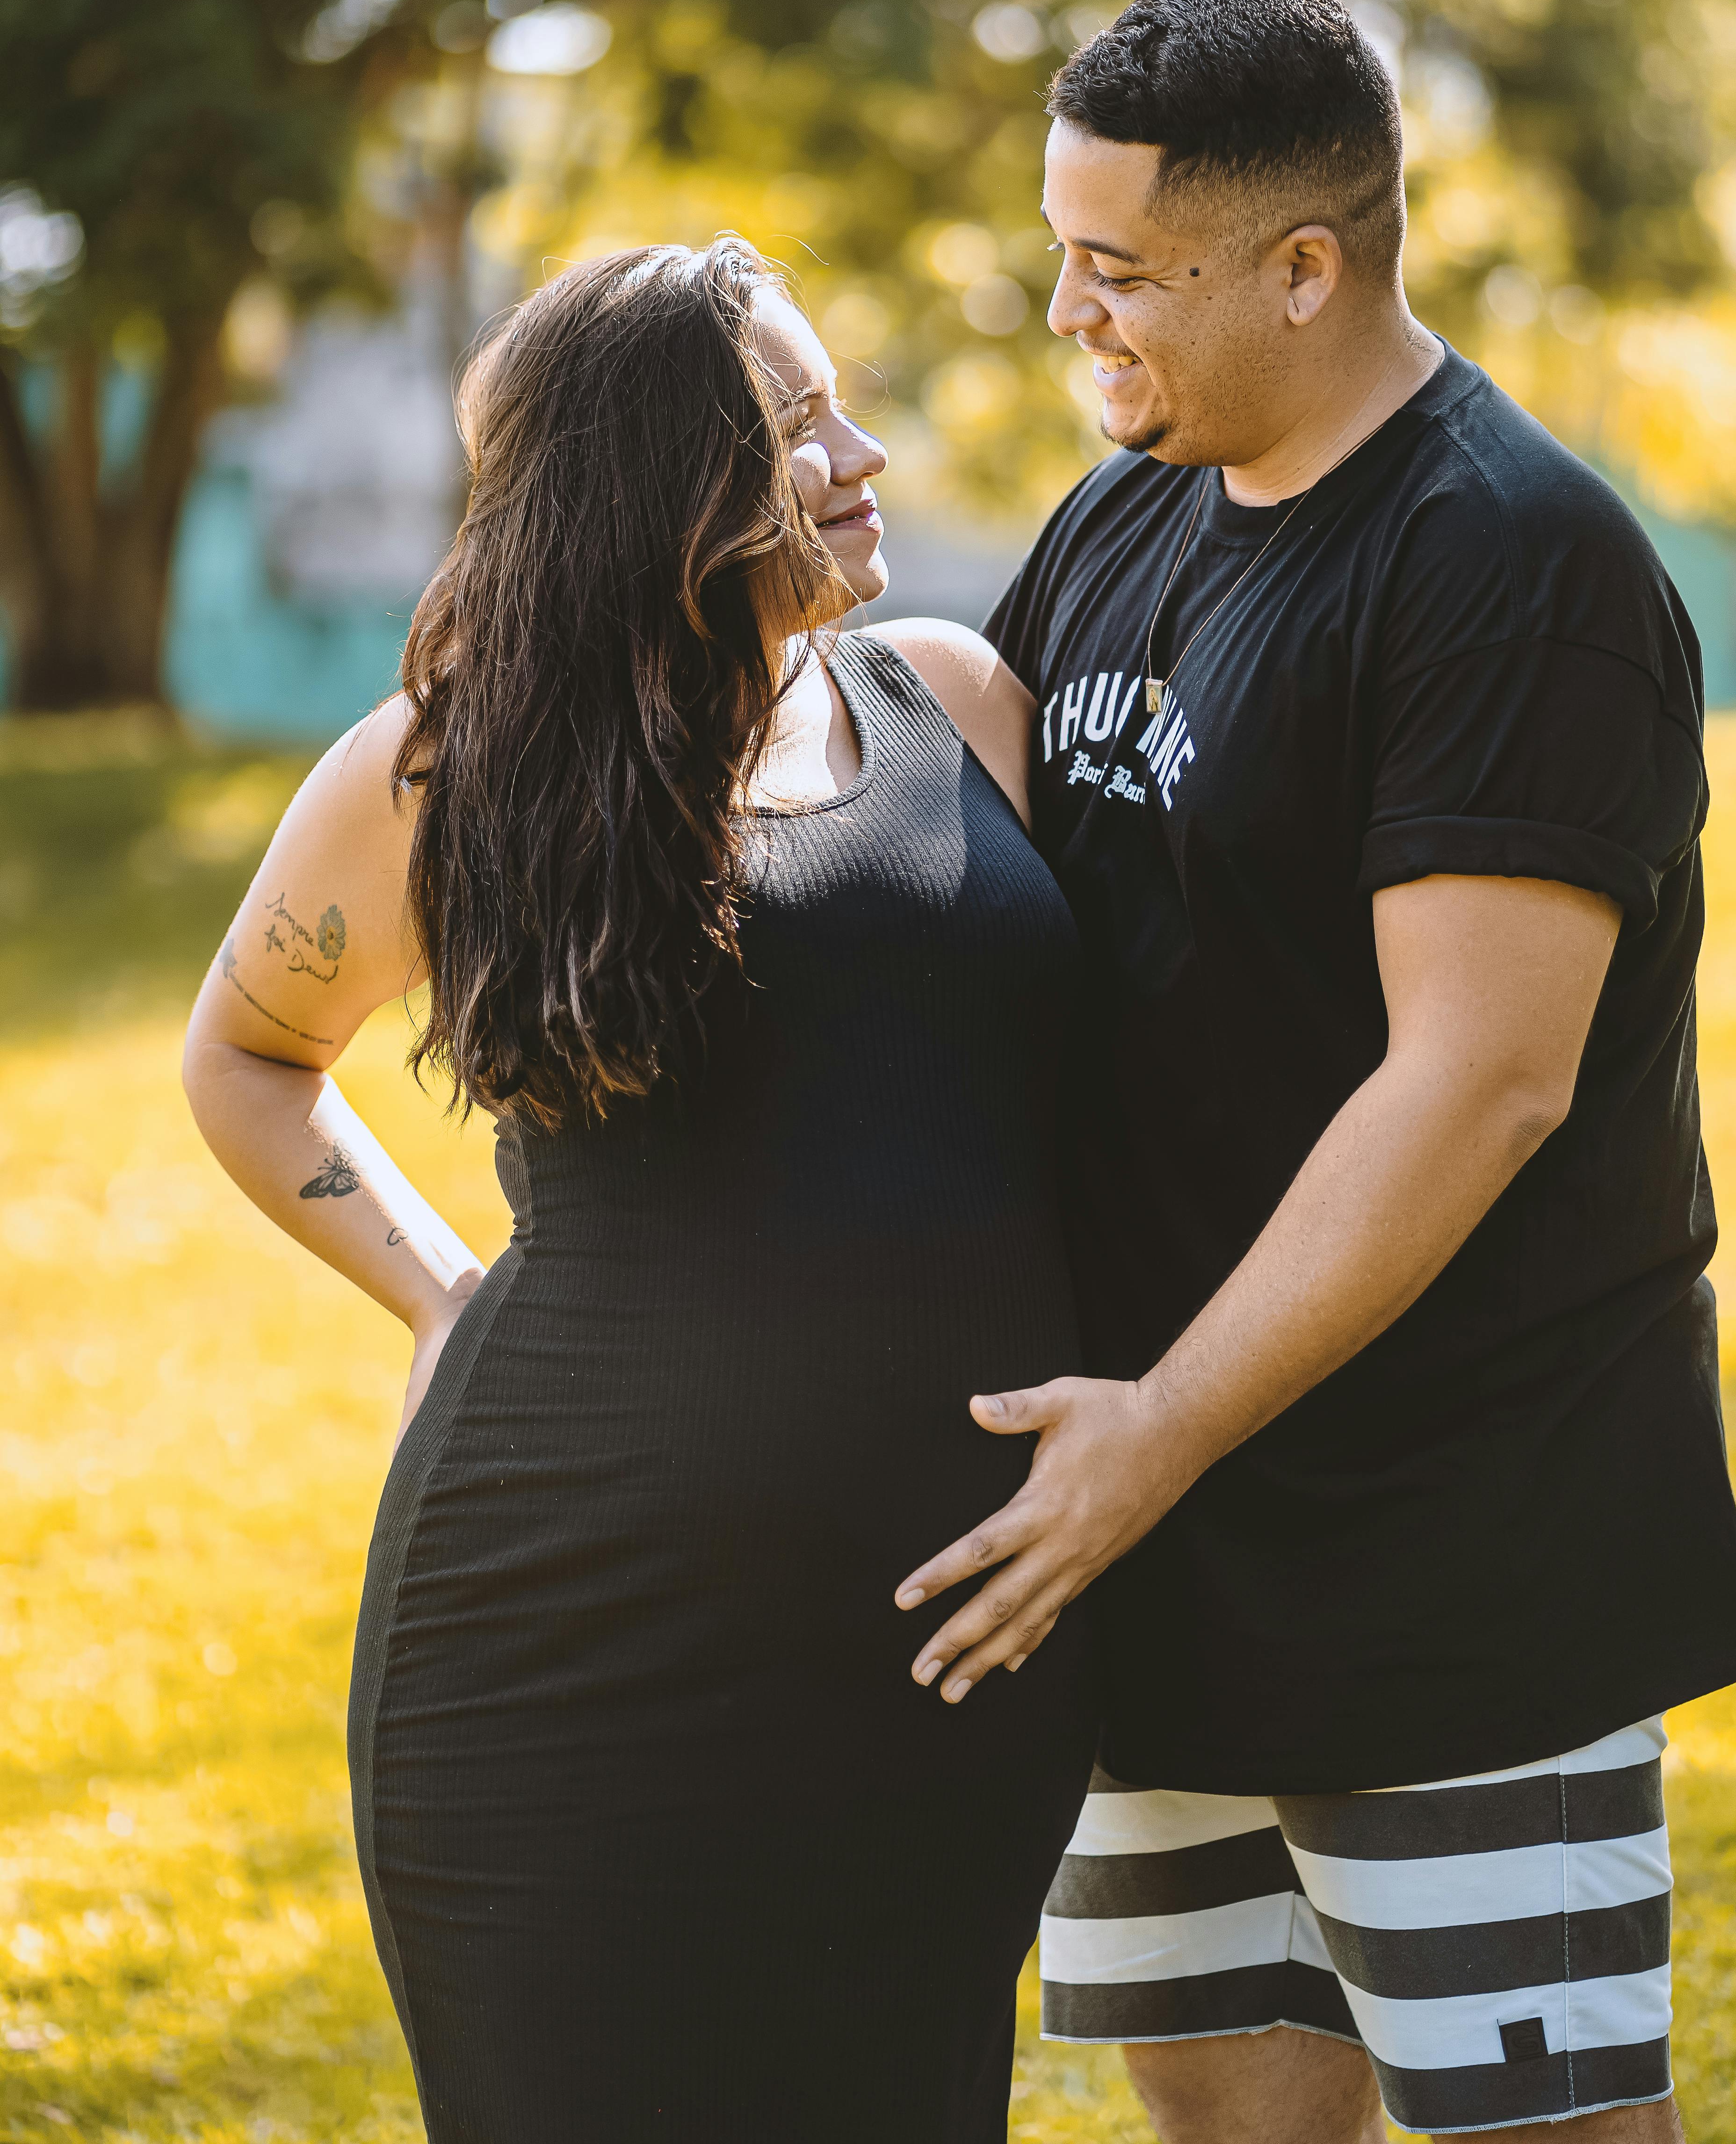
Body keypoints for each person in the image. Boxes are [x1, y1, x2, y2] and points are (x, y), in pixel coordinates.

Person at [893, 0, 1736, 2143]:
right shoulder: (1122, 512)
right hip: (1154, 1519)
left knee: (1528, 2123)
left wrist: (1160, 1425)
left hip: (1446, 1539)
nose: (1071, 316)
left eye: (1121, 273)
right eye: (1057, 255)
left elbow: (1480, 1081)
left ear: (1307, 266)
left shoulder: (1507, 565)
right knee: (1227, 2121)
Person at [182, 241, 1098, 2144]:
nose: (858, 455)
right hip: (561, 1640)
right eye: (791, 429)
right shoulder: (458, 770)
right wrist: (438, 1294)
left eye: (839, 404)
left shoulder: (960, 705)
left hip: (943, 1628)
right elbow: (248, 1055)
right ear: (657, 488)